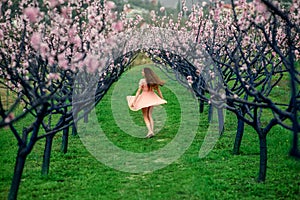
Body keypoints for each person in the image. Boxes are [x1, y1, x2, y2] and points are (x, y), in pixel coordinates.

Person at [127, 67, 167, 138]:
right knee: (150, 115)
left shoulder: (142, 81)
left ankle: (150, 131)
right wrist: (161, 98)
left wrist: (134, 101)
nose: (141, 73)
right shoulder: (153, 81)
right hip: (152, 97)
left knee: (145, 116)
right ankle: (152, 131)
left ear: (145, 73)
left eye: (142, 71)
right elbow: (158, 90)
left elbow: (138, 92)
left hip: (144, 98)